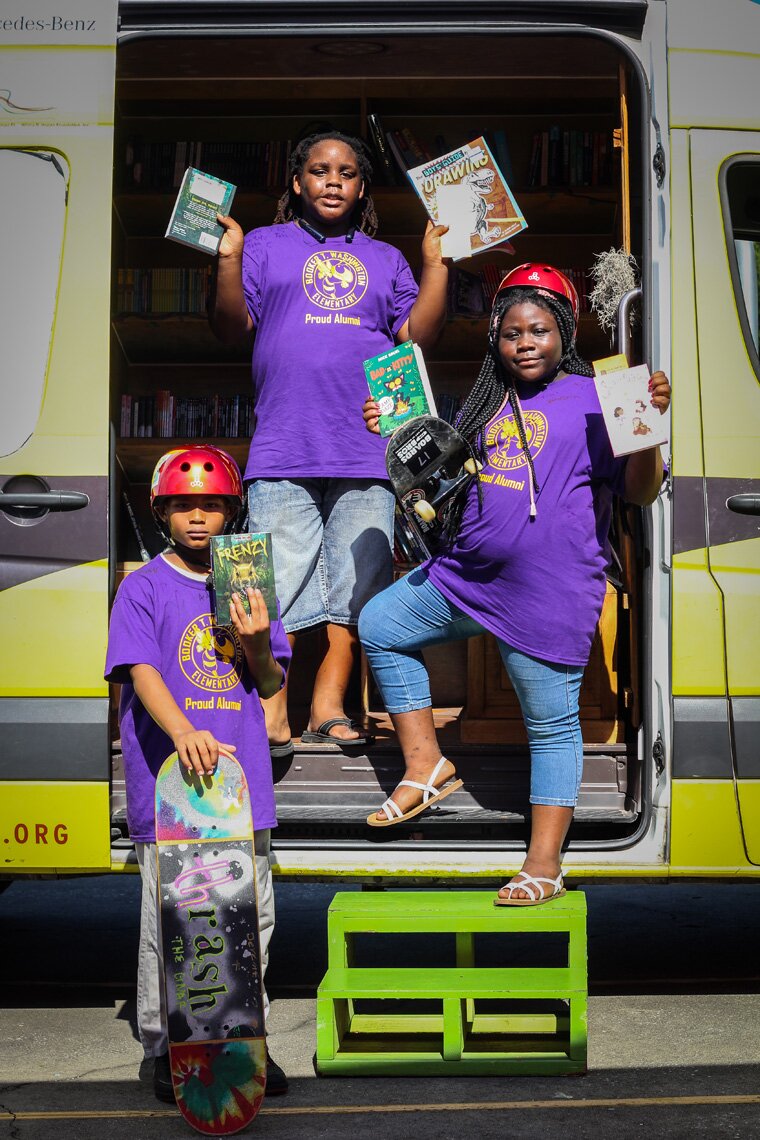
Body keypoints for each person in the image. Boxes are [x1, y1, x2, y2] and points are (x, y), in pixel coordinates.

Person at [359, 263, 671, 906]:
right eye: (511, 333)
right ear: (495, 341)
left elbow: (640, 492)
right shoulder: (483, 403)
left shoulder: (599, 395)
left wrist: (648, 430)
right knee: (381, 624)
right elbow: (439, 477)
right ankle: (426, 765)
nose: (525, 343)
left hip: (547, 592)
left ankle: (544, 864)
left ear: (565, 334)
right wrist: (395, 432)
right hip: (468, 578)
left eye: (539, 331)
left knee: (550, 728)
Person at [208, 130, 448, 754]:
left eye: (347, 172)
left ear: (363, 188)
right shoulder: (264, 245)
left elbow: (417, 337)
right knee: (274, 582)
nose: (333, 180)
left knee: (359, 588)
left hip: (366, 450)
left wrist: (435, 265)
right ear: (297, 182)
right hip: (284, 446)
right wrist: (228, 259)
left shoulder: (385, 259)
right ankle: (271, 705)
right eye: (319, 170)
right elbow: (231, 327)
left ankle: (328, 704)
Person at [104, 445, 292, 1099]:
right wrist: (182, 730)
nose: (197, 517)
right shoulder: (142, 587)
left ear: (230, 512)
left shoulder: (249, 583)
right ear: (162, 512)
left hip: (240, 786)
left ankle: (243, 1037)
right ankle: (168, 1045)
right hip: (171, 788)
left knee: (248, 919)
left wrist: (258, 640)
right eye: (183, 505)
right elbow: (139, 669)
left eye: (211, 505)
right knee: (173, 923)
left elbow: (269, 681)